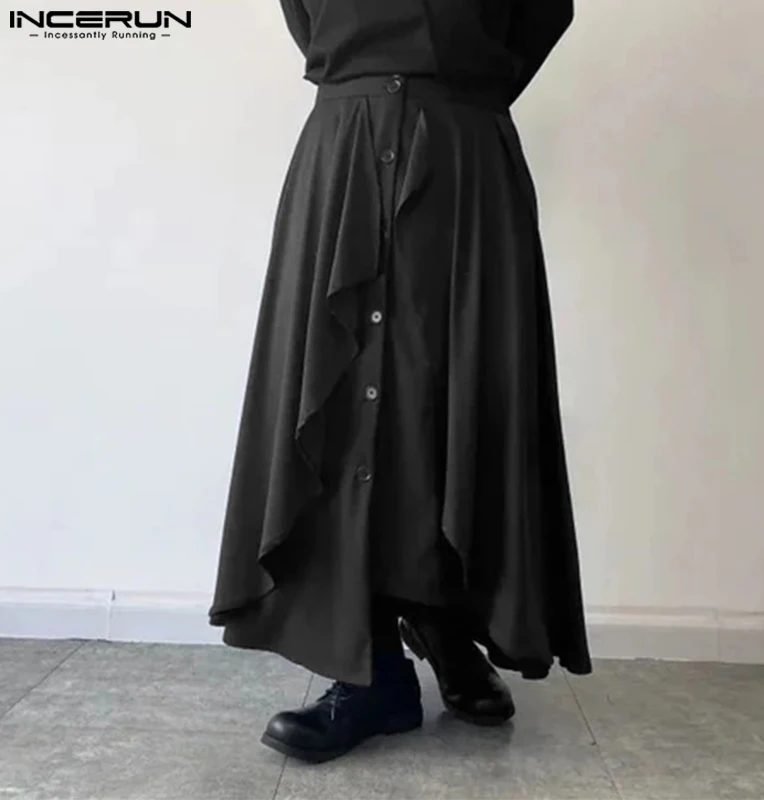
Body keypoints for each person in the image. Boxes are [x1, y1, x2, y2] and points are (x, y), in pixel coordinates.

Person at [208, 0, 592, 764]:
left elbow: (543, 12)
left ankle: (444, 619)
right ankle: (375, 669)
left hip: (464, 154)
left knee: (455, 394)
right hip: (347, 148)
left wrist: (454, 83)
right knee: (346, 401)